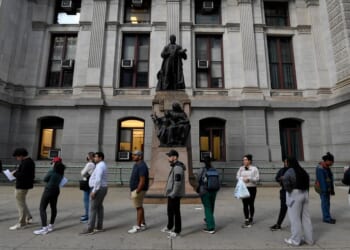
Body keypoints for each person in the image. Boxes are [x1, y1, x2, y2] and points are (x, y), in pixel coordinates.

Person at [282, 157, 313, 246]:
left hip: (294, 194)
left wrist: (289, 190)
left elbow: (286, 183)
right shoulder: (302, 170)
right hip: (305, 193)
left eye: (286, 162)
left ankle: (295, 240)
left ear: (289, 162)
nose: (285, 163)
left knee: (295, 219)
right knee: (306, 218)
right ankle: (309, 239)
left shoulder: (289, 171)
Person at [33, 157, 65, 235]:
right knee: (53, 207)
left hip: (48, 190)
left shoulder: (52, 171)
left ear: (55, 163)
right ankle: (51, 225)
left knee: (42, 208)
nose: (52, 164)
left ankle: (44, 228)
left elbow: (45, 179)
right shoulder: (61, 171)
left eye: (53, 162)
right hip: (56, 190)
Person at [80, 152, 108, 235]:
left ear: (101, 158)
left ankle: (90, 228)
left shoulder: (100, 166)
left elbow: (98, 179)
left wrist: (94, 191)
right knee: (99, 207)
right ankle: (99, 226)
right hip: (102, 188)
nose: (94, 158)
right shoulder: (102, 165)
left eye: (96, 157)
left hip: (98, 188)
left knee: (92, 208)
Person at [161, 149, 186, 239]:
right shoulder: (174, 166)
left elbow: (177, 182)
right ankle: (169, 226)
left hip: (174, 194)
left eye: (170, 156)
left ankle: (177, 230)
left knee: (176, 212)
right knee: (170, 211)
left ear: (174, 157)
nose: (168, 158)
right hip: (171, 194)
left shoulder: (178, 167)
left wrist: (173, 193)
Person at [9, 148, 35, 230]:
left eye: (17, 156)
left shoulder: (26, 163)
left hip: (22, 186)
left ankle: (22, 223)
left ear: (21, 155)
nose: (17, 158)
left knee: (20, 205)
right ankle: (29, 217)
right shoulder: (29, 161)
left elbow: (23, 175)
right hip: (25, 185)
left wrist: (14, 173)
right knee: (22, 202)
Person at [128, 150, 149, 234]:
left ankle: (138, 226)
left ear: (140, 156)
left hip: (139, 190)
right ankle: (143, 223)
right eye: (133, 154)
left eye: (135, 155)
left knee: (138, 208)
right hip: (136, 189)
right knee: (139, 206)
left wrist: (137, 191)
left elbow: (142, 180)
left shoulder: (142, 166)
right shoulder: (137, 164)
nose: (133, 156)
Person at [236, 154, 259, 228]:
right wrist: (242, 179)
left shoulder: (254, 168)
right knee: (245, 204)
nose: (244, 161)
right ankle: (246, 219)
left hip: (252, 188)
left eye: (245, 160)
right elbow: (237, 176)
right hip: (244, 188)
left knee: (251, 203)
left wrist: (249, 179)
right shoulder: (241, 168)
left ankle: (251, 218)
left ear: (249, 161)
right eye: (243, 160)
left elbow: (257, 178)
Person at [196, 156, 218, 234]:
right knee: (211, 206)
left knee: (207, 208)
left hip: (205, 191)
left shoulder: (201, 170)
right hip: (214, 191)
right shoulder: (214, 169)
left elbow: (198, 179)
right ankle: (208, 220)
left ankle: (210, 227)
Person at [315, 152, 336, 224]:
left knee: (327, 203)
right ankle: (326, 218)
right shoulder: (320, 168)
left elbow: (329, 178)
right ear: (327, 161)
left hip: (327, 189)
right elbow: (322, 181)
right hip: (323, 189)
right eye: (331, 162)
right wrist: (325, 191)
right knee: (325, 203)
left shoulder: (326, 167)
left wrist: (331, 189)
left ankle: (327, 217)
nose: (332, 163)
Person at [270, 158, 289, 231]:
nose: (286, 163)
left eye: (287, 162)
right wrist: (280, 179)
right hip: (284, 191)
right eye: (285, 162)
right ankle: (278, 224)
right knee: (283, 208)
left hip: (292, 192)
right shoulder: (282, 170)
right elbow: (277, 178)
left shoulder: (293, 170)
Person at [80, 152, 95, 223]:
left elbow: (82, 173)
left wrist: (83, 172)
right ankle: (87, 215)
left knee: (86, 200)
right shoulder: (95, 164)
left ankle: (87, 216)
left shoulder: (90, 164)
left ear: (89, 157)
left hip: (87, 183)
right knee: (89, 200)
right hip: (91, 182)